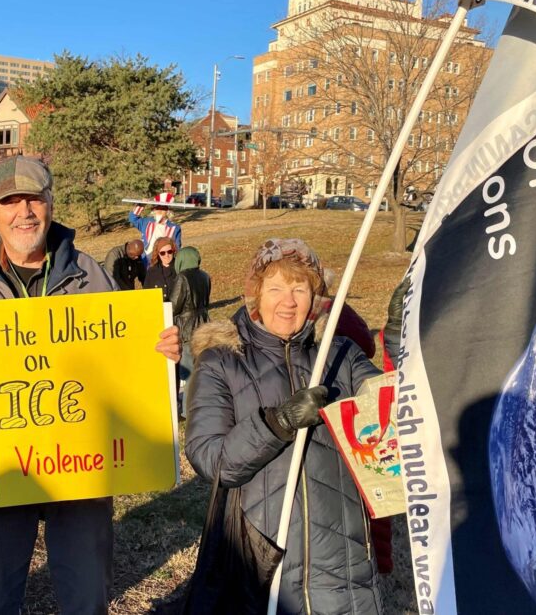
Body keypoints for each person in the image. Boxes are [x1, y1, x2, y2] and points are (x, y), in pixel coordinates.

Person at [0, 155, 180, 614]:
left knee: (86, 599)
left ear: (51, 204)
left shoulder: (89, 273)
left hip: (80, 460)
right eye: (9, 201)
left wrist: (159, 351)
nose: (24, 212)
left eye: (33, 199)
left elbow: (126, 355)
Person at [185, 238, 382, 613]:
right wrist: (278, 422)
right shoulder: (222, 361)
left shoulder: (340, 354)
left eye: (299, 288)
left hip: (342, 561)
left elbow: (392, 412)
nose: (288, 301)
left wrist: (400, 338)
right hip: (261, 560)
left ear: (315, 297)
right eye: (275, 288)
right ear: (255, 295)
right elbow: (212, 458)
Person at [170, 246, 211, 388]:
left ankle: (188, 410)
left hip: (186, 329)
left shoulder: (182, 278)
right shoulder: (205, 276)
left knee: (188, 377)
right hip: (204, 326)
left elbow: (174, 305)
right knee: (201, 373)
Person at [128, 191, 181, 264]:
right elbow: (132, 218)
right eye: (157, 207)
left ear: (168, 211)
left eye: (162, 208)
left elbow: (177, 248)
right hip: (146, 260)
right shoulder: (147, 222)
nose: (159, 210)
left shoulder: (175, 228)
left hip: (163, 260)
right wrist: (141, 205)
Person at [144, 237, 178, 302]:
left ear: (173, 251)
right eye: (162, 253)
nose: (167, 255)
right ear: (158, 254)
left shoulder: (179, 268)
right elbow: (147, 295)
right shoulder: (151, 272)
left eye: (169, 251)